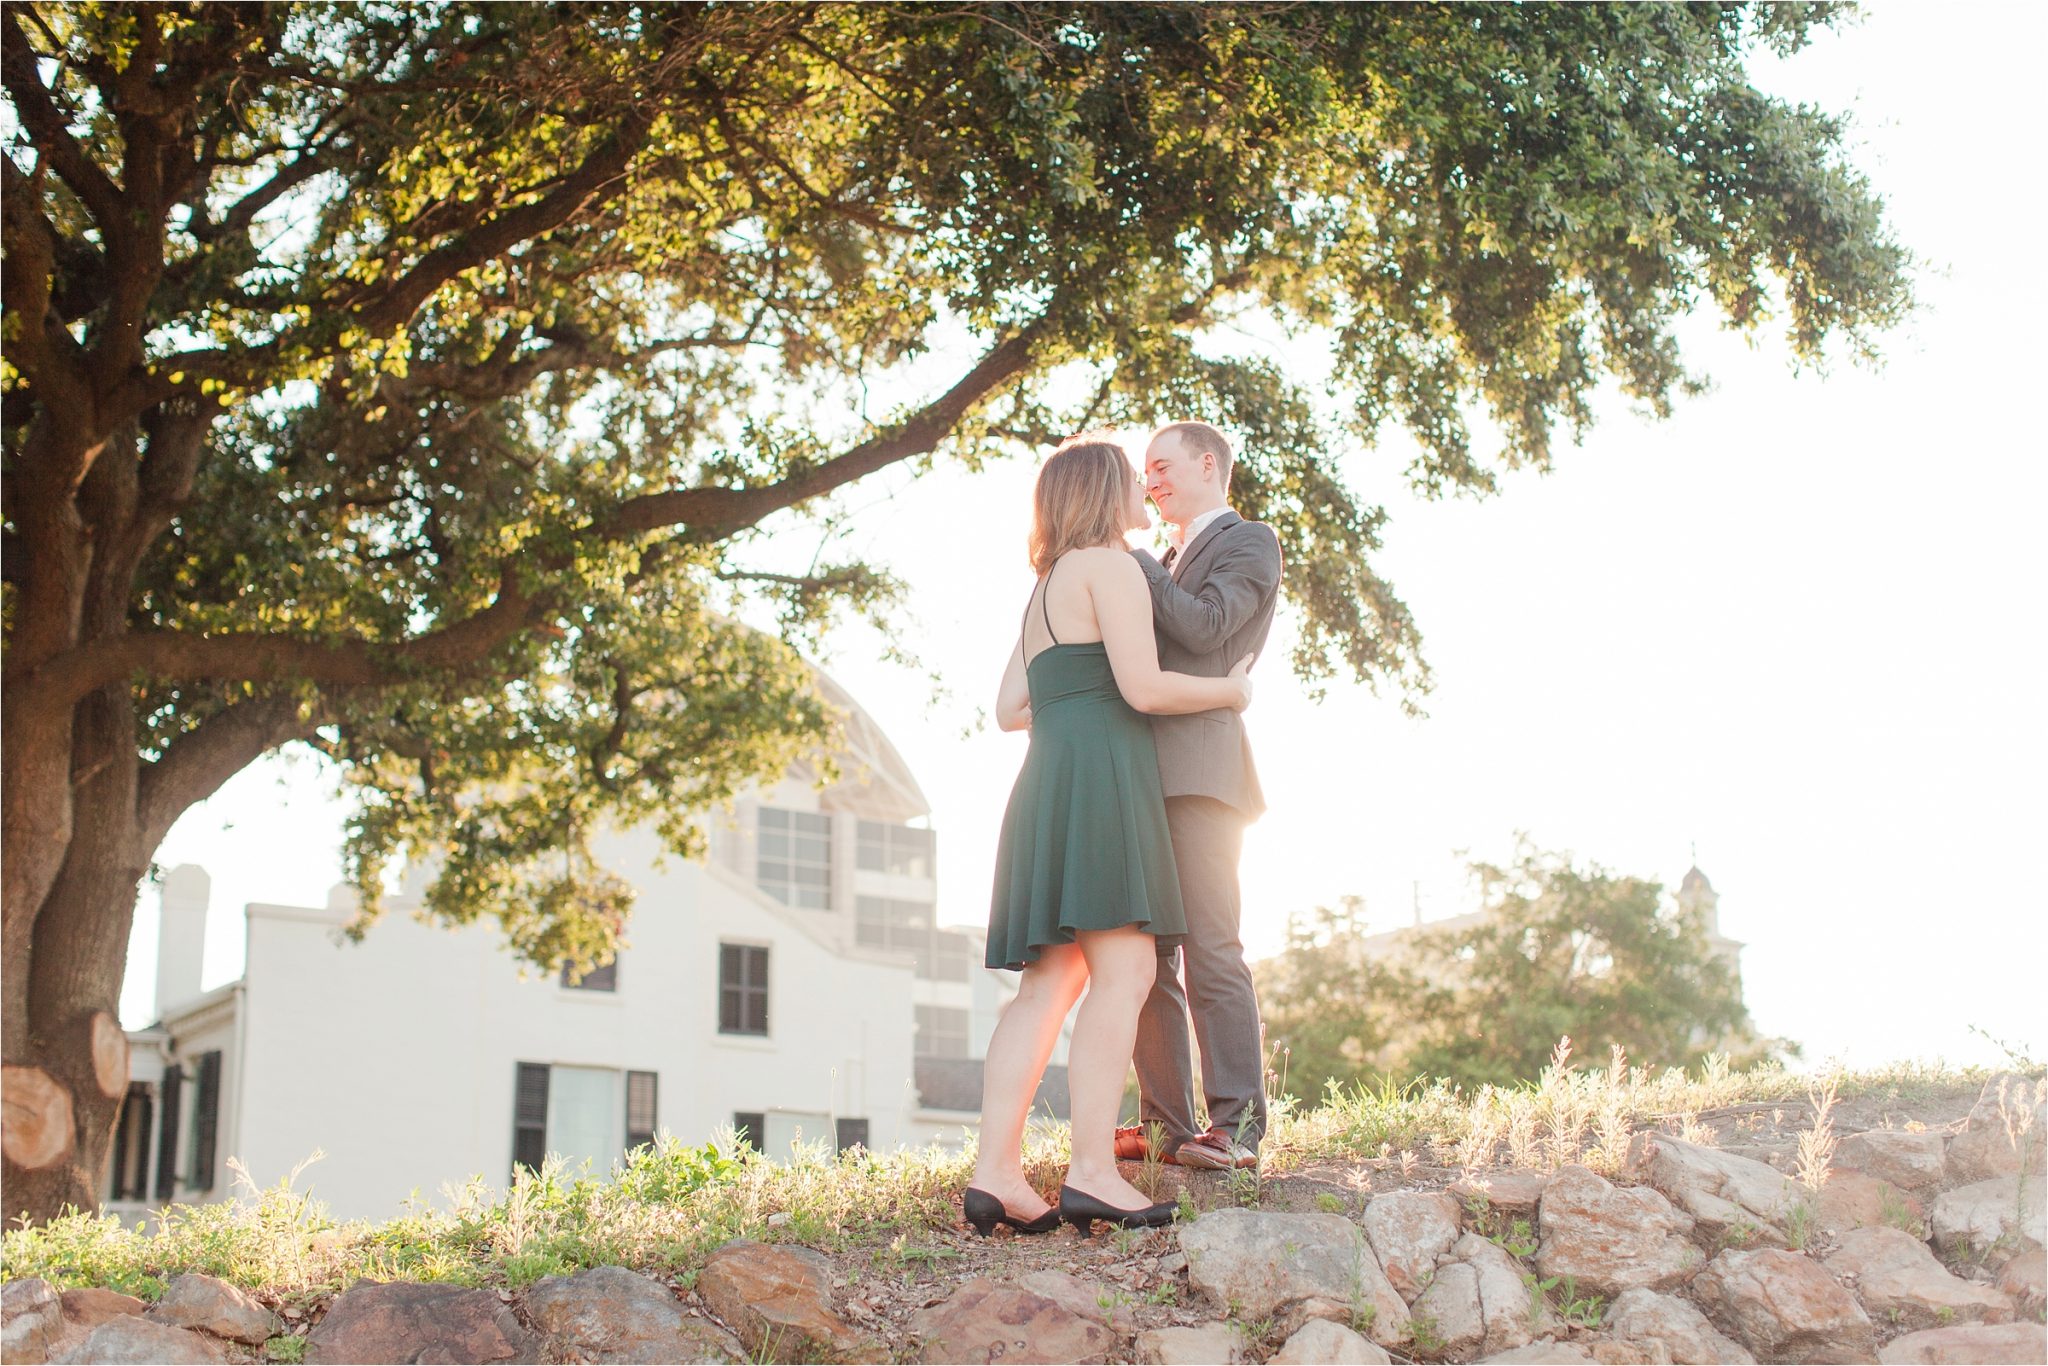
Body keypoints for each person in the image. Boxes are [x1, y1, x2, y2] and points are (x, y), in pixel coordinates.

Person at [966, 436, 1254, 1236]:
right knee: (1124, 971)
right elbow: (1146, 686)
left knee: (1047, 986)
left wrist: (1075, 704)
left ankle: (996, 1173)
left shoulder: (1047, 583)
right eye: (1134, 477)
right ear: (1101, 491)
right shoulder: (1114, 564)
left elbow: (1008, 709)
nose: (1145, 487)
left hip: (1046, 780)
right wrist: (1229, 689)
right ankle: (1092, 1170)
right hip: (1100, 787)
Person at [1118, 420, 1284, 1172]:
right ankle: (1164, 1127)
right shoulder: (1163, 559)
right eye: (1144, 471)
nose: (1149, 481)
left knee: (1210, 947)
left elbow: (1208, 625)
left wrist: (1135, 564)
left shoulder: (1251, 542)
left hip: (1206, 776)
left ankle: (1238, 1125)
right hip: (1142, 777)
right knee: (1146, 958)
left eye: (1162, 466)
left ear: (1208, 464)